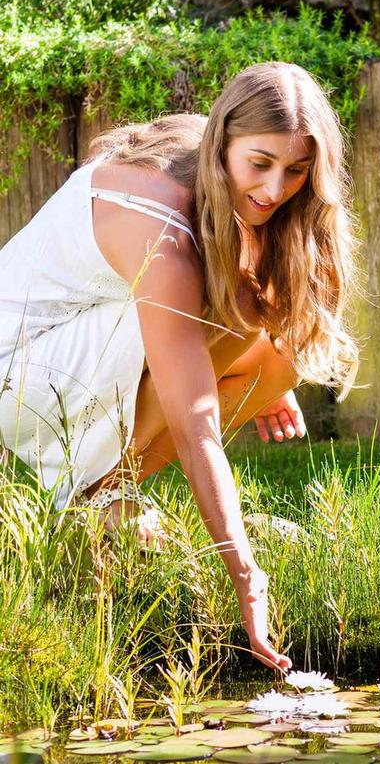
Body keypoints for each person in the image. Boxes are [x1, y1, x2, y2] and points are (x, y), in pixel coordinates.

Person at [0, 61, 361, 672]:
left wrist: (264, 371)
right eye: (261, 163)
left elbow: (244, 283)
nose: (275, 190)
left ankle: (106, 493)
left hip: (70, 345)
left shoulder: (208, 160)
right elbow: (198, 432)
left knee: (283, 347)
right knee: (237, 320)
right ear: (222, 141)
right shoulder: (161, 238)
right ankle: (99, 496)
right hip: (17, 367)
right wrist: (246, 575)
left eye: (296, 171)